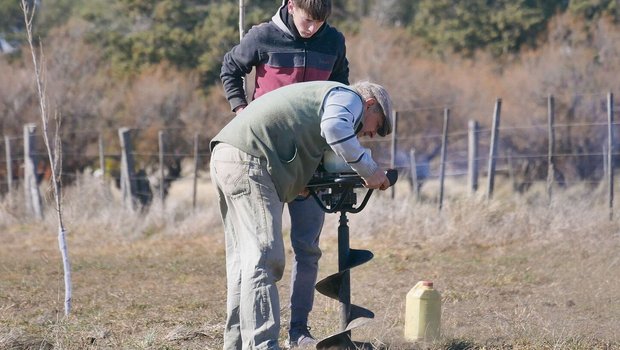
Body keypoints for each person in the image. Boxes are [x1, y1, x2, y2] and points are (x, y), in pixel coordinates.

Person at [209, 80, 394, 350]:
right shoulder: (348, 97)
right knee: (264, 257)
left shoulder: (322, 97)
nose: (370, 134)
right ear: (369, 104)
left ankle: (235, 344)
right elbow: (334, 128)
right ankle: (263, 345)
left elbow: (295, 137)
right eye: (376, 126)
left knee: (243, 262)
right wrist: (369, 169)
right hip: (249, 159)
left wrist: (299, 183)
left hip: (227, 155)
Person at [220, 0, 349, 347]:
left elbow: (340, 94)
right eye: (308, 22)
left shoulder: (333, 42)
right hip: (265, 159)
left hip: (312, 159)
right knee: (263, 253)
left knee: (307, 248)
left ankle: (299, 331)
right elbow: (230, 68)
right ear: (291, 5)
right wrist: (241, 110)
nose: (313, 29)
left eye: (320, 23)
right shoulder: (262, 37)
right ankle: (258, 337)